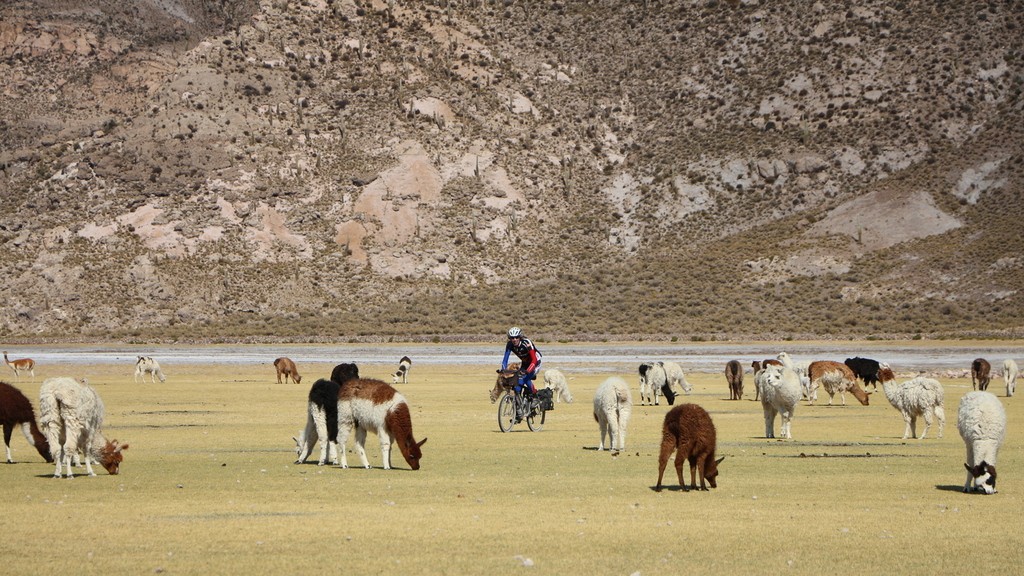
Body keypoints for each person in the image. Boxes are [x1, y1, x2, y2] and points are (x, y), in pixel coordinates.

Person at [501, 327, 543, 414]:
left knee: (525, 378)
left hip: (535, 362)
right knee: (517, 385)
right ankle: (519, 410)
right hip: (525, 362)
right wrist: (503, 370)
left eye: (516, 337)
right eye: (512, 338)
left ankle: (535, 396)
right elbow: (505, 360)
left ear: (520, 337)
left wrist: (528, 371)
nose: (514, 339)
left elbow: (534, 359)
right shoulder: (509, 345)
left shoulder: (526, 343)